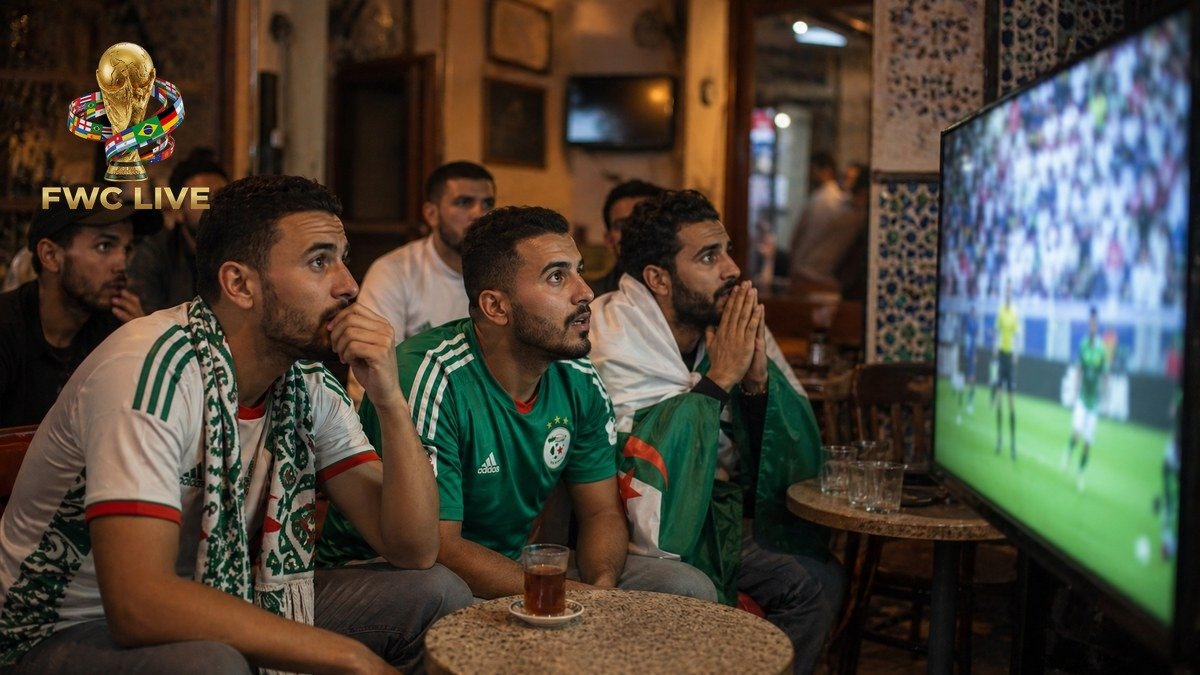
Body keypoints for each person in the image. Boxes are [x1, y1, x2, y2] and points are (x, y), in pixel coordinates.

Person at [0, 175, 472, 674]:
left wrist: (390, 398)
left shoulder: (307, 382)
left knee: (436, 594)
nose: (348, 284)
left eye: (342, 257)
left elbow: (414, 547)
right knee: (212, 664)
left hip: (227, 590)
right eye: (319, 261)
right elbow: (138, 605)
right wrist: (348, 655)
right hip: (59, 631)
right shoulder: (150, 369)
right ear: (240, 284)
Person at [318, 205, 717, 602]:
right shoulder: (430, 374)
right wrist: (578, 601)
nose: (585, 292)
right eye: (557, 277)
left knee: (685, 586)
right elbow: (442, 548)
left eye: (578, 270)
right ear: (496, 307)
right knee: (446, 592)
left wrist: (601, 593)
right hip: (402, 575)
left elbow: (601, 513)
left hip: (514, 565)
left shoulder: (576, 374)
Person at [588, 190, 843, 674]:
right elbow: (633, 475)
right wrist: (717, 381)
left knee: (816, 577)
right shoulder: (608, 339)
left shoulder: (729, 323)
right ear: (659, 279)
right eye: (709, 256)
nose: (732, 269)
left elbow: (791, 449)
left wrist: (756, 383)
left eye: (727, 250)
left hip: (718, 516)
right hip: (624, 534)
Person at [0, 190, 154, 427]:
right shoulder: (8, 328)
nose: (122, 264)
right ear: (50, 255)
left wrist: (147, 351)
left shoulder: (118, 327)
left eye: (127, 248)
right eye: (104, 247)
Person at [357, 161, 496, 342]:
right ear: (431, 214)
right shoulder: (394, 271)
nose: (479, 214)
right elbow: (371, 362)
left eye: (487, 204)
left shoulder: (503, 271)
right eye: (464, 202)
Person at [127, 148, 230, 313]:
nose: (216, 206)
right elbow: (145, 319)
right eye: (203, 198)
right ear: (178, 211)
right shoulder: (154, 253)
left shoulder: (240, 250)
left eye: (222, 197)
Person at [591, 179, 665, 296]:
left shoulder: (690, 296)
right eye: (623, 225)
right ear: (609, 240)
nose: (633, 231)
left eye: (644, 222)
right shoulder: (589, 301)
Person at [787, 152, 847, 292]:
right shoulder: (833, 199)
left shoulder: (823, 199)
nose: (811, 175)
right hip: (815, 269)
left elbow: (800, 235)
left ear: (826, 171)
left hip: (811, 269)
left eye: (814, 170)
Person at [1063, 306, 1108, 491]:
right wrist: (1074, 392)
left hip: (1094, 402)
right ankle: (1068, 452)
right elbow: (1079, 370)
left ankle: (1080, 474)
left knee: (1088, 442)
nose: (1092, 325)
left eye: (1094, 323)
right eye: (1090, 322)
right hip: (1082, 398)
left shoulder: (1101, 348)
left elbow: (1104, 376)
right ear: (1088, 324)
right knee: (1077, 432)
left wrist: (1105, 399)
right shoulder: (1083, 344)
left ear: (1097, 325)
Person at [993, 284, 1020, 458]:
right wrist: (995, 348)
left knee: (1011, 403)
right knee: (999, 400)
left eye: (1011, 292)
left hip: (1009, 358)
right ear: (1005, 294)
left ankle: (1013, 444)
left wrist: (1017, 353)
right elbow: (997, 332)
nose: (1008, 295)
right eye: (1007, 292)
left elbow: (1017, 335)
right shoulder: (1001, 311)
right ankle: (999, 440)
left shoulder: (1014, 313)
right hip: (1002, 356)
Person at [956, 304, 979, 424]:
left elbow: (975, 339)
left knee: (972, 381)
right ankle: (959, 408)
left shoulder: (975, 324)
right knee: (963, 383)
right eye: (971, 310)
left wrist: (974, 354)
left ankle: (969, 404)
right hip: (965, 356)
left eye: (973, 311)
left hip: (970, 357)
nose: (973, 312)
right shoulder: (966, 322)